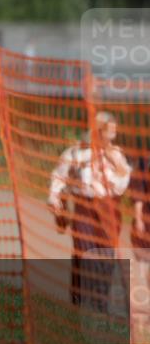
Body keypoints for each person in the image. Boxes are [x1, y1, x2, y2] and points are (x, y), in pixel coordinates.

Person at [48, 112, 132, 312]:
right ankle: (80, 302)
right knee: (84, 252)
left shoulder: (116, 154)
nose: (113, 134)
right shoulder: (76, 153)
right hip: (84, 206)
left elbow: (123, 182)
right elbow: (59, 178)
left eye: (114, 130)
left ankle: (100, 304)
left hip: (110, 207)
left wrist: (116, 163)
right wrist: (54, 199)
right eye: (108, 130)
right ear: (97, 130)